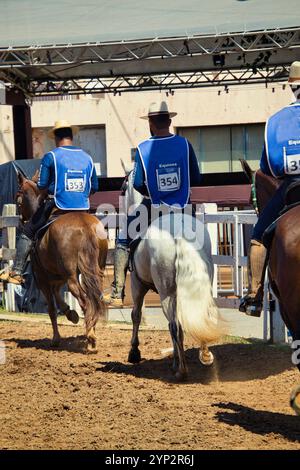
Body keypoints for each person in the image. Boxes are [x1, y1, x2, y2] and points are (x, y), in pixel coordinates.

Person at [104, 101, 202, 307]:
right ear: (169, 121)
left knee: (123, 238)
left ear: (151, 123)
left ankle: (117, 292)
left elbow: (138, 183)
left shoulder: (143, 148)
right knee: (200, 241)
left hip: (154, 207)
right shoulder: (185, 144)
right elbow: (196, 177)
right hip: (183, 206)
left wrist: (155, 190)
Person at [0, 120, 98, 285]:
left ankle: (17, 272)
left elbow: (43, 186)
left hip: (58, 204)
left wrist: (39, 182)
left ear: (55, 138)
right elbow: (94, 187)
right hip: (83, 207)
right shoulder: (87, 157)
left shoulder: (51, 156)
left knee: (28, 231)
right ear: (71, 136)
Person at [240, 61, 300, 317]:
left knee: (258, 235)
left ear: (291, 87)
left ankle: (254, 296)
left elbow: (268, 167)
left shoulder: (275, 121)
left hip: (290, 188)